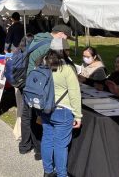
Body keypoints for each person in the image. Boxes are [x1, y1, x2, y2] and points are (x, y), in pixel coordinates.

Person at [20, 24, 72, 160]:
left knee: (26, 115)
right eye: (66, 37)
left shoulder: (38, 37)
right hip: (36, 85)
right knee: (38, 117)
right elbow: (40, 63)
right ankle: (39, 150)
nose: (67, 40)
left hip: (26, 81)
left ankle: (24, 146)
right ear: (60, 34)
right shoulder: (50, 44)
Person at [39, 39, 82, 177]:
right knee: (60, 145)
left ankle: (47, 170)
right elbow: (75, 93)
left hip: (46, 108)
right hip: (63, 110)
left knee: (47, 139)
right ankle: (61, 174)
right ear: (64, 51)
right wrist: (78, 115)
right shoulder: (67, 69)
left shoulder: (43, 64)